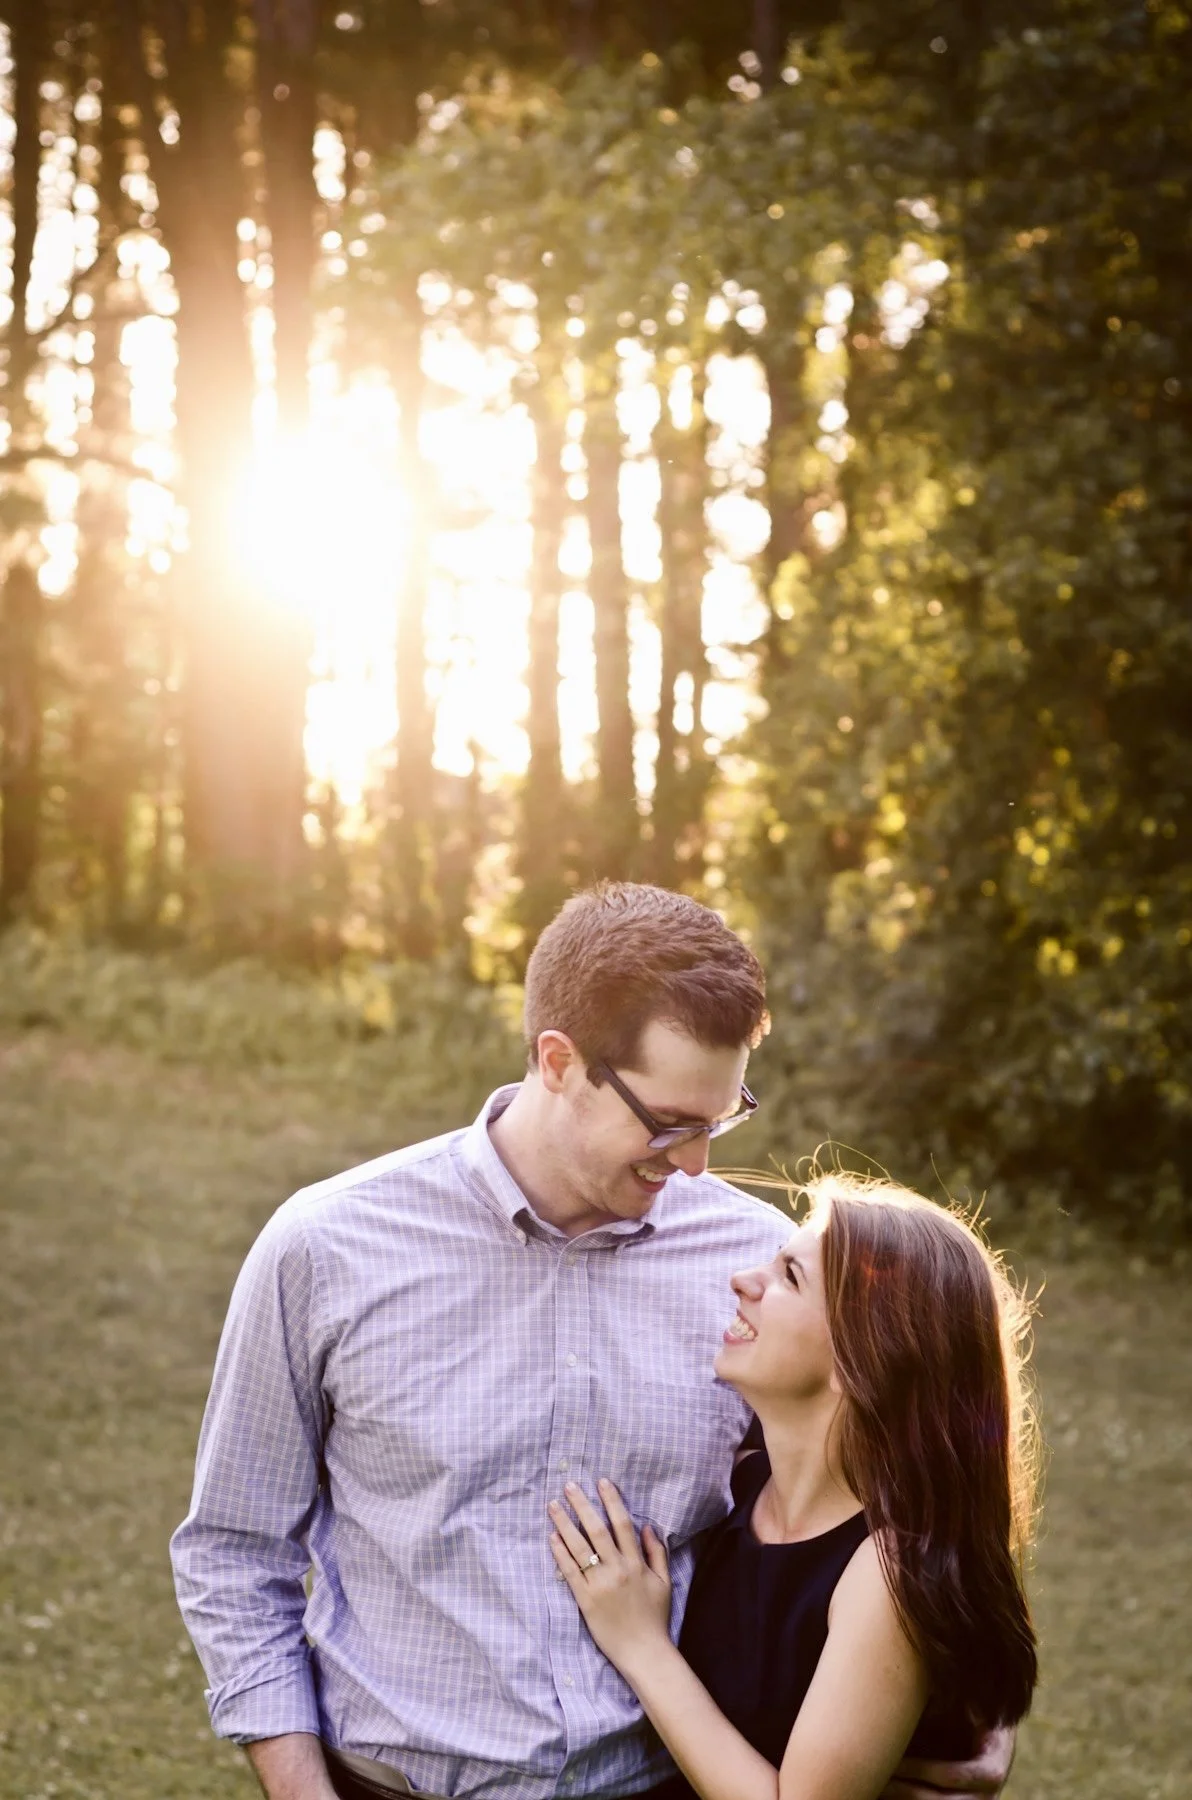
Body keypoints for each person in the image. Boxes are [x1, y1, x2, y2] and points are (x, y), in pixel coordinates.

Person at [170, 883, 1015, 1800]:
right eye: (669, 1123)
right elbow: (234, 1552)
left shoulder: (750, 1261)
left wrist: (973, 1705)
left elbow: (913, 1466)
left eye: (721, 1119)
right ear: (560, 1061)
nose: (696, 1163)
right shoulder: (325, 1247)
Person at [548, 1174, 1039, 1800]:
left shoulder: (887, 1571)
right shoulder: (742, 1481)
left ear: (859, 1360)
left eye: (789, 1277)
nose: (742, 1280)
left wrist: (641, 1645)